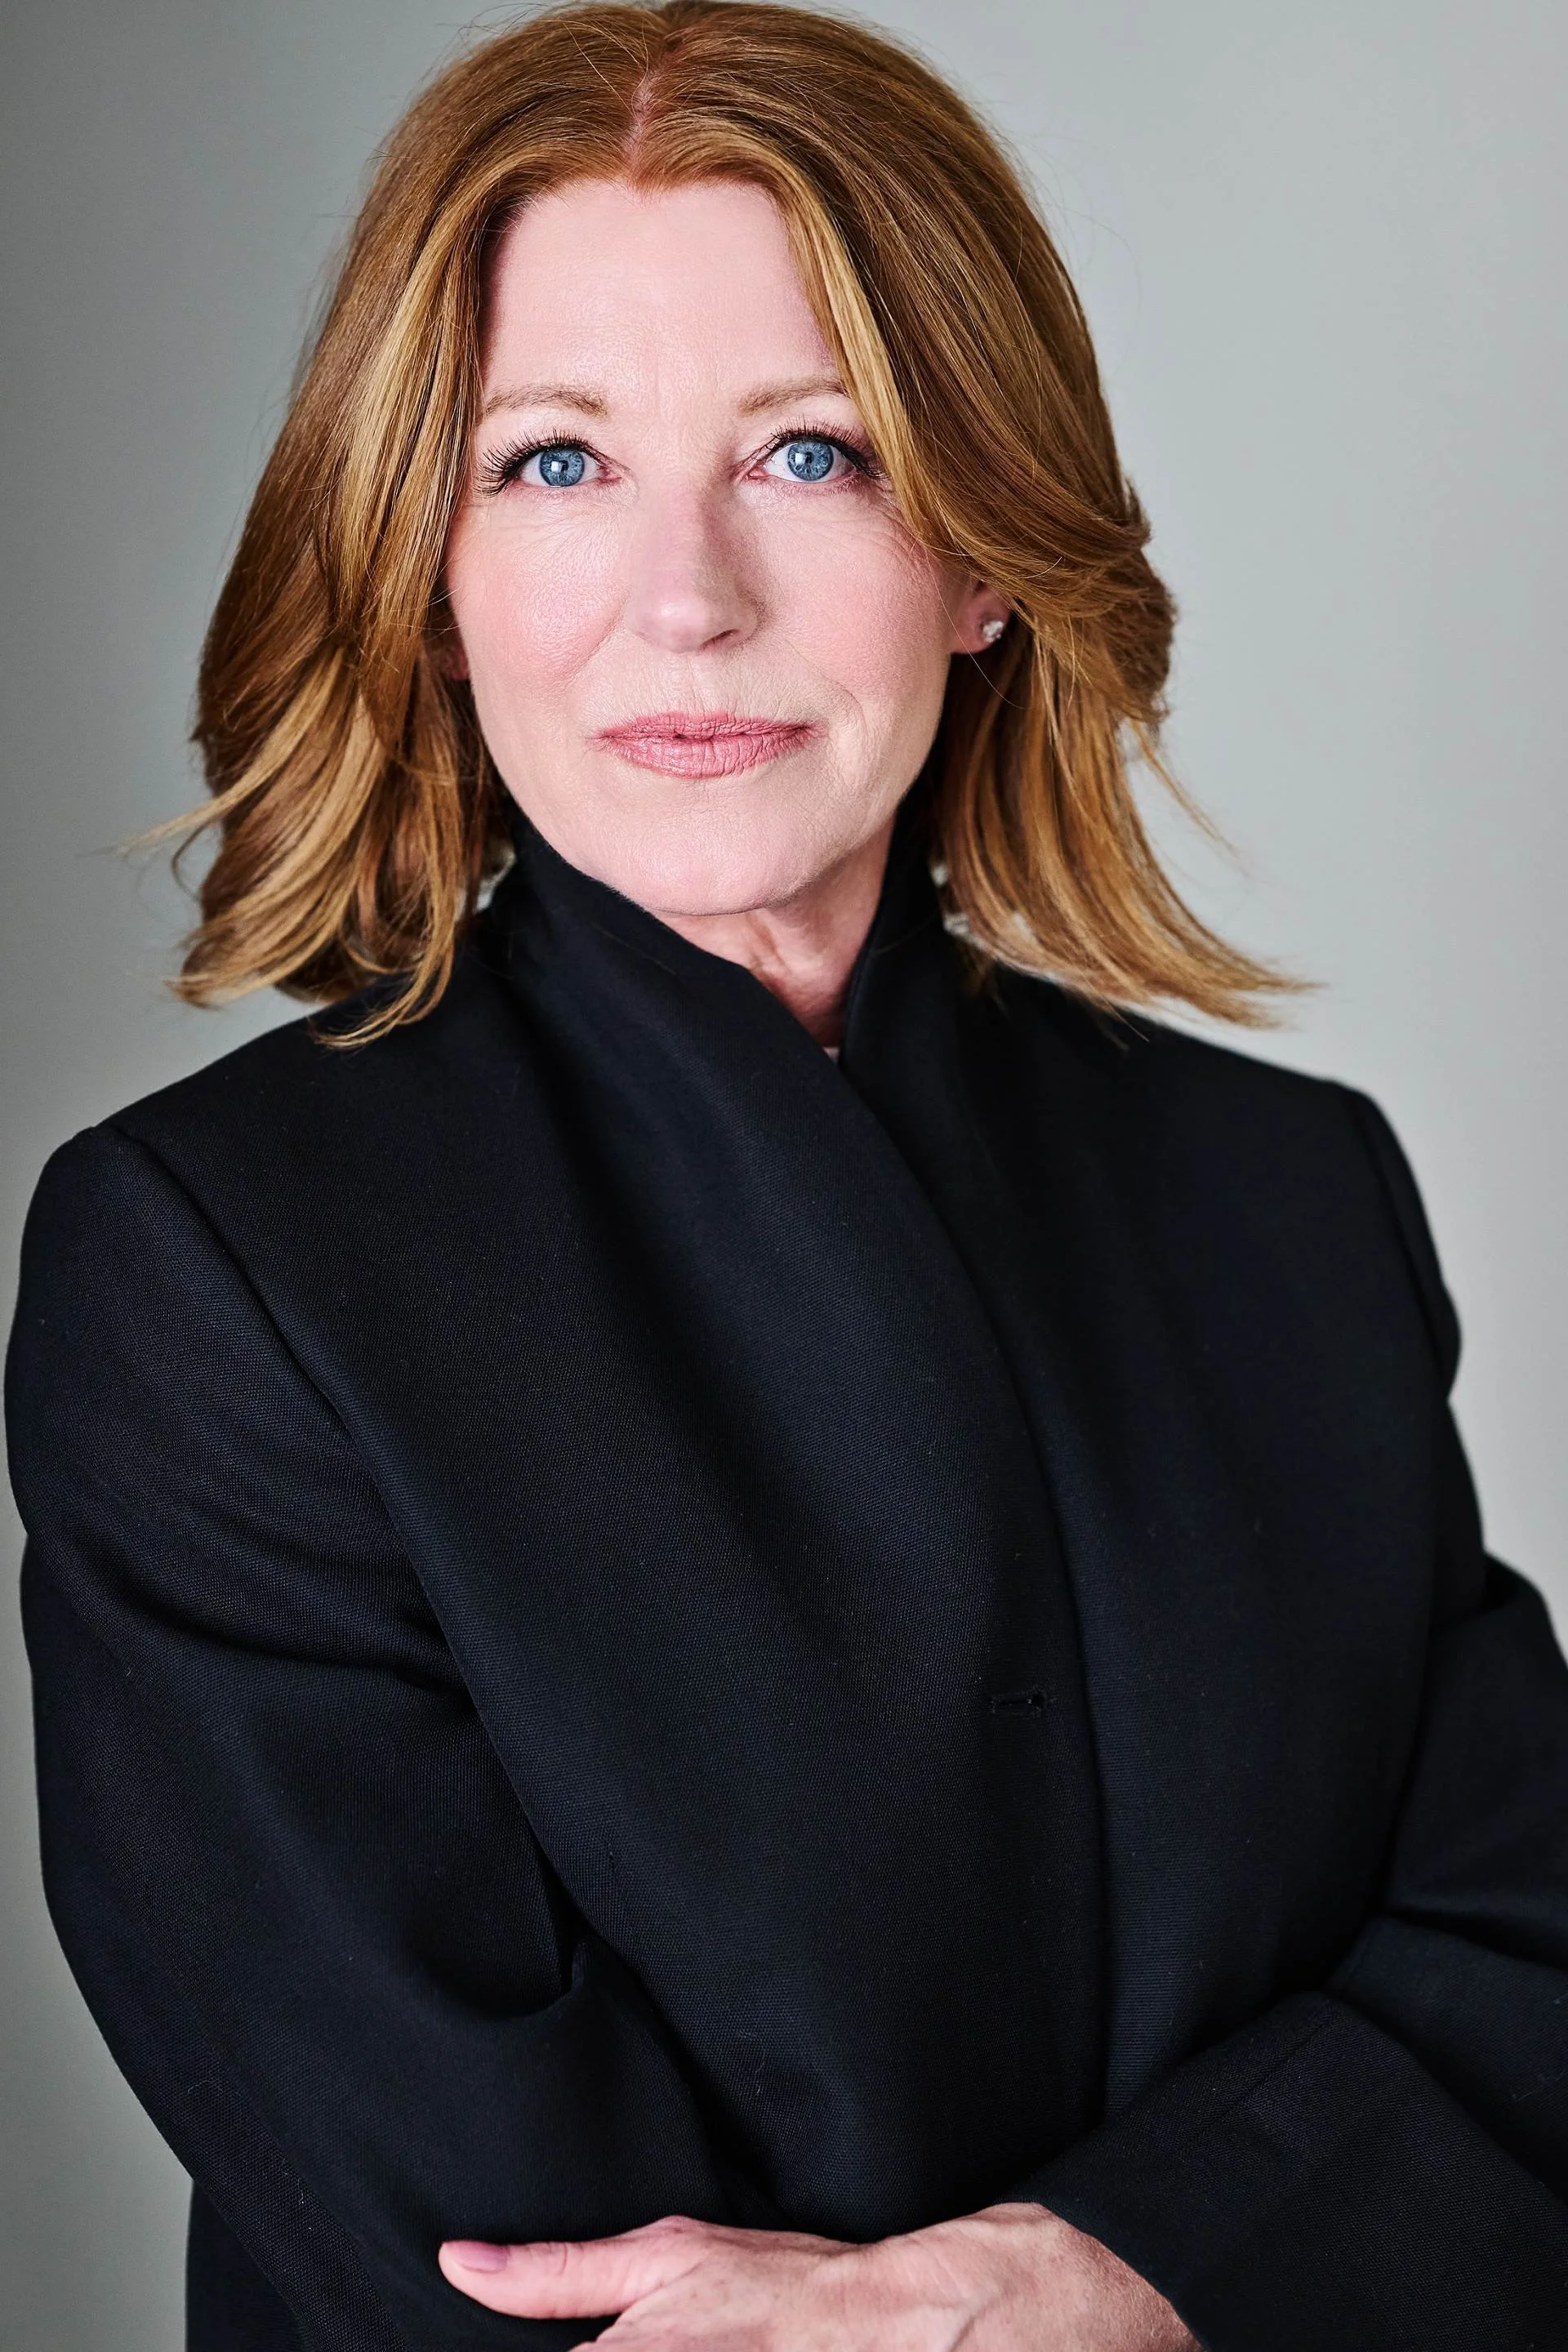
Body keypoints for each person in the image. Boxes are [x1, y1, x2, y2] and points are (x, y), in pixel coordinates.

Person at [8, 2, 1567, 2345]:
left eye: (814, 452)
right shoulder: (219, 1264)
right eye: (554, 462)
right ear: (426, 565)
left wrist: (1097, 2276)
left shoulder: (1294, 1193)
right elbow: (489, 2254)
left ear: (989, 553)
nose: (688, 597)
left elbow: (1531, 1965)